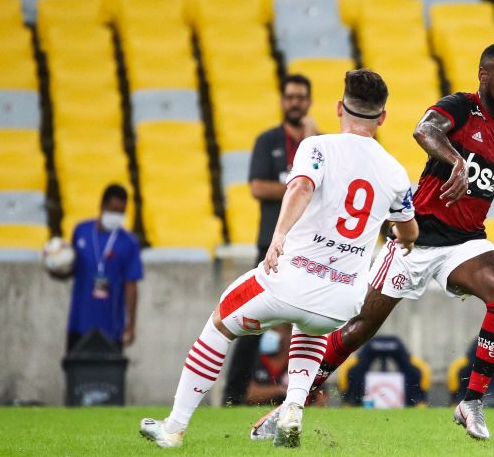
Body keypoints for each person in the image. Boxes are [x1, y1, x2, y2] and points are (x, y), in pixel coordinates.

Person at [256, 43, 494, 442]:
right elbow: (425, 130)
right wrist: (456, 159)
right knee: (356, 330)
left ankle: (471, 401)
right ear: (484, 75)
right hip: (414, 241)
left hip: (466, 243)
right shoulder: (460, 107)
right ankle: (291, 404)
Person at [140, 69, 418, 449]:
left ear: (339, 108)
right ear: (382, 117)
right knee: (311, 326)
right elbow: (408, 231)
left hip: (289, 280)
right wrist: (403, 242)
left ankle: (174, 427)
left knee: (221, 321)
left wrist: (280, 235)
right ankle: (291, 410)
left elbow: (302, 186)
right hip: (342, 302)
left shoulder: (316, 146)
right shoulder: (396, 173)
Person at [224, 74, 316, 404]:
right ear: (282, 101)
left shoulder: (316, 145)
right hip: (271, 244)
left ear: (309, 102)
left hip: (306, 245)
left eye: (301, 97)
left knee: (309, 320)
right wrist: (300, 186)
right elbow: (258, 187)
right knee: (251, 320)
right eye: (290, 96)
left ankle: (307, 395)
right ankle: (232, 393)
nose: (295, 102)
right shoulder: (268, 141)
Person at [63, 184, 143, 351]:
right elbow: (70, 268)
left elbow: (131, 285)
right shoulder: (81, 231)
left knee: (107, 375)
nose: (117, 216)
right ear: (102, 206)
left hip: (111, 328)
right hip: (79, 323)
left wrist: (131, 324)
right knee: (77, 373)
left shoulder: (128, 242)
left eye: (121, 212)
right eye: (113, 210)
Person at [244, 324, 326, 407]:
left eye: (275, 330)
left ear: (290, 334)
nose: (269, 334)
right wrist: (281, 390)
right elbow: (250, 395)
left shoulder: (305, 361)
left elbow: (320, 399)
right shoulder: (258, 359)